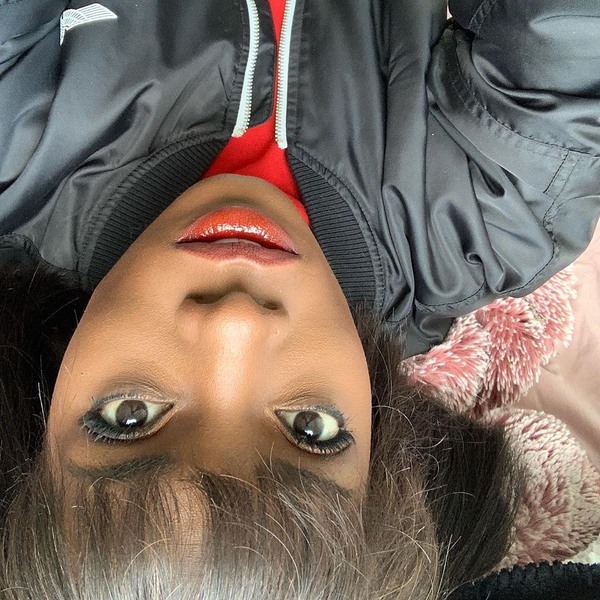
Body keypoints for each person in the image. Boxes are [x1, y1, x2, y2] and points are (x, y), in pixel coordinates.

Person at [0, 0, 598, 598]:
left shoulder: (14, 163)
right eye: (311, 429)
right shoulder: (487, 226)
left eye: (130, 416)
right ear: (386, 452)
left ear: (36, 422)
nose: (236, 323)